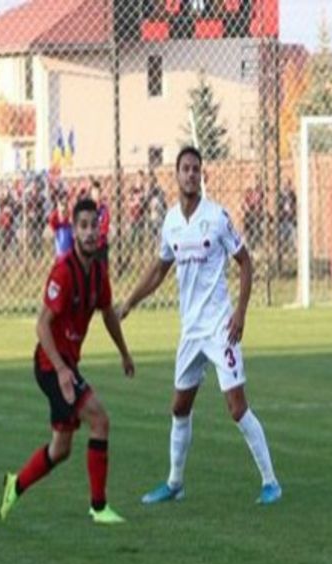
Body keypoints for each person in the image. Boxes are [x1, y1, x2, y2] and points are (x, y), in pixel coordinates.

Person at [119, 146, 281, 506]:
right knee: (179, 407)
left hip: (220, 327)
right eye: (185, 169)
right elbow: (159, 269)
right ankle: (174, 483)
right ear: (176, 176)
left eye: (196, 169)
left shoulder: (217, 217)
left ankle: (271, 481)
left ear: (201, 175)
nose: (191, 174)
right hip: (190, 331)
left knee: (237, 408)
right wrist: (129, 302)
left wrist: (240, 312)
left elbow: (245, 262)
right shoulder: (171, 223)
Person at [0, 198, 135, 525]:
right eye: (83, 226)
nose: (89, 232)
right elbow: (42, 324)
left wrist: (124, 352)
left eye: (94, 226)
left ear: (100, 230)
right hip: (50, 365)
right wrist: (61, 371)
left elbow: (108, 316)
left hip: (65, 367)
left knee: (60, 449)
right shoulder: (64, 270)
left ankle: (14, 485)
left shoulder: (99, 273)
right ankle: (99, 507)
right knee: (100, 420)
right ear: (74, 231)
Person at [48, 190, 73, 257]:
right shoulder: (56, 220)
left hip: (70, 252)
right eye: (62, 204)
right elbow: (51, 220)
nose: (63, 208)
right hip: (61, 253)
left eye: (65, 205)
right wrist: (59, 211)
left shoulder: (70, 219)